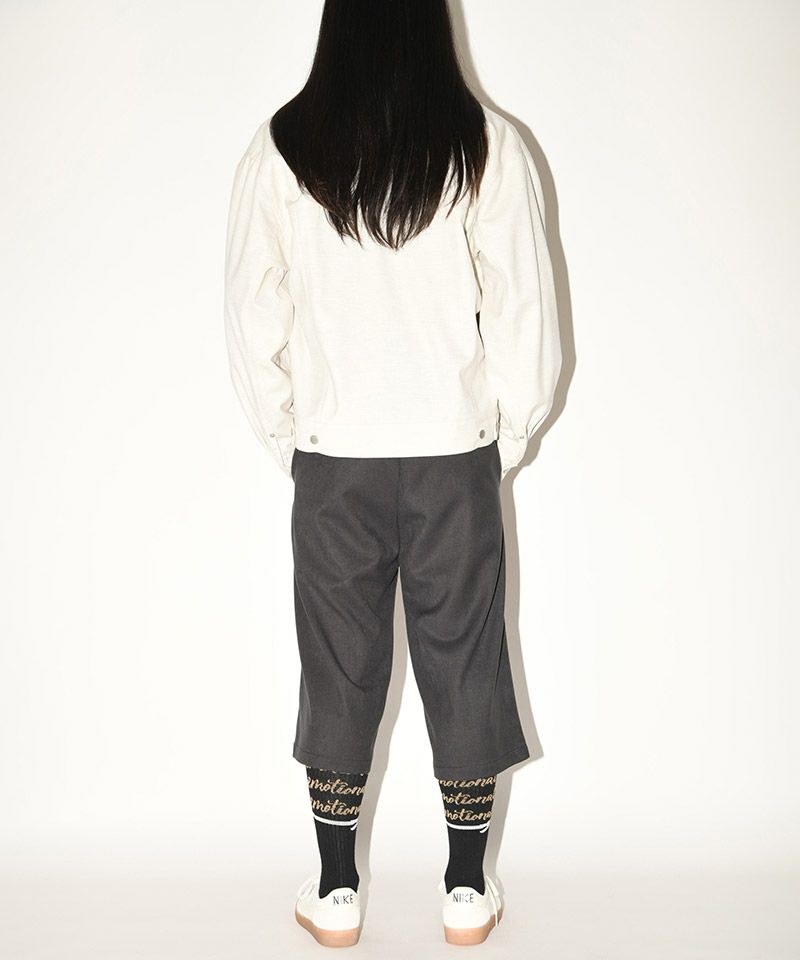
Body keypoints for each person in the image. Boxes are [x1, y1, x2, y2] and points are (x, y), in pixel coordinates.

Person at [223, 0, 561, 947]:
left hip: (335, 463)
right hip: (455, 456)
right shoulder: (483, 145)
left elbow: (250, 314)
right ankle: (466, 886)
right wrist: (504, 435)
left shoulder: (283, 149)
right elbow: (525, 308)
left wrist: (292, 437)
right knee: (466, 656)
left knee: (338, 663)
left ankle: (336, 888)